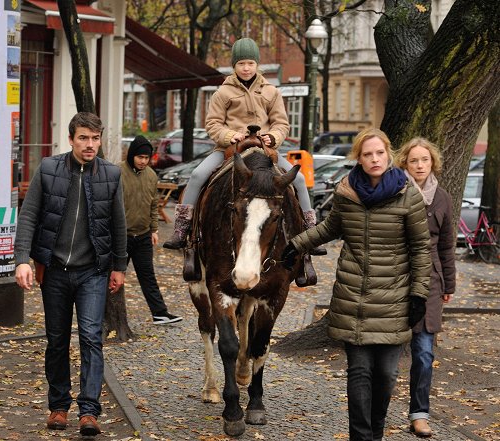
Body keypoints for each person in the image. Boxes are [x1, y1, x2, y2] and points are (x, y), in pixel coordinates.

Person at [280, 128, 432, 441]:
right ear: (358, 159)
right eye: (367, 154)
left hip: (394, 300)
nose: (374, 159)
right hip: (355, 299)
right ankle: (361, 438)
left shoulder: (408, 193)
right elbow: (330, 228)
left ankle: (375, 433)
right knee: (359, 373)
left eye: (379, 153)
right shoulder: (347, 192)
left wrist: (419, 294)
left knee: (386, 376)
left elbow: (421, 248)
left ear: (388, 154)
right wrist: (296, 244)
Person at [14, 112, 127, 437]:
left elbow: (118, 224)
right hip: (56, 272)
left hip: (93, 272)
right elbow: (30, 215)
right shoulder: (49, 169)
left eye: (95, 138)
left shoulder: (111, 174)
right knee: (57, 340)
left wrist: (119, 266)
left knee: (92, 337)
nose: (90, 144)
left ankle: (89, 411)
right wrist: (23, 258)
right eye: (83, 138)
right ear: (71, 139)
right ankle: (59, 407)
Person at [163, 37, 326, 255]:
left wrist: (273, 137)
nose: (246, 68)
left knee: (298, 179)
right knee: (197, 175)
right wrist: (229, 135)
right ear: (234, 66)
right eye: (241, 64)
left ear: (257, 64)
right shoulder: (223, 92)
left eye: (250, 63)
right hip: (229, 151)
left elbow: (281, 123)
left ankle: (309, 232)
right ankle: (181, 229)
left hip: (264, 152)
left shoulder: (271, 92)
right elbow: (212, 123)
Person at [395, 137, 456, 438]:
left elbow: (446, 244)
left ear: (433, 163)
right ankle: (375, 410)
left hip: (431, 281)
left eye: (425, 160)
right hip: (395, 278)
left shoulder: (442, 197)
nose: (420, 165)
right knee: (388, 353)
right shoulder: (395, 191)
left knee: (423, 353)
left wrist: (449, 282)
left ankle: (419, 414)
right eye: (414, 160)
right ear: (405, 163)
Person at [119, 135, 183, 325]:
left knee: (148, 276)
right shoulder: (117, 172)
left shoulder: (151, 175)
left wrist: (154, 230)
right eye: (140, 157)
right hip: (122, 237)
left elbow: (153, 204)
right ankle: (104, 316)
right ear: (132, 156)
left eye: (146, 158)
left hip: (143, 236)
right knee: (113, 278)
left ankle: (160, 313)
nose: (143, 161)